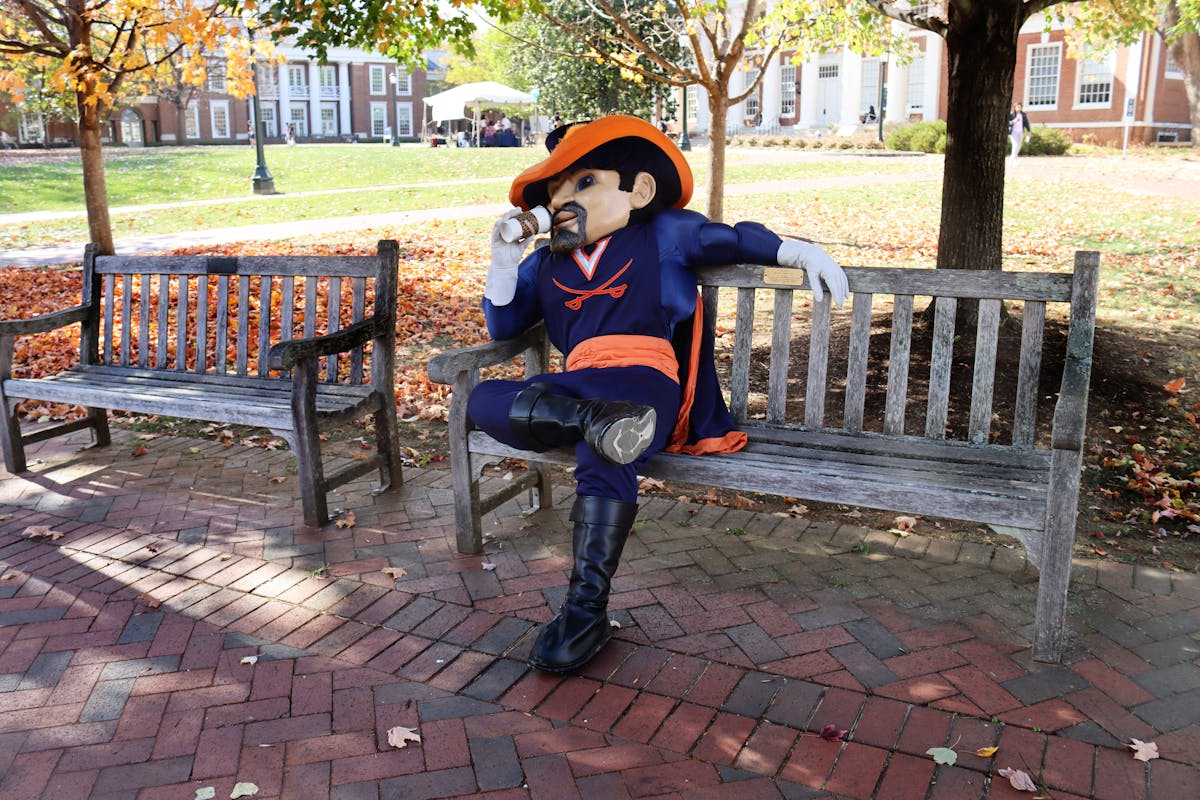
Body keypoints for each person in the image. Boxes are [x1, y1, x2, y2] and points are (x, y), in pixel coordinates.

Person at [469, 116, 849, 673]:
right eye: (555, 191)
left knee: (605, 451)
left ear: (638, 191)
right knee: (481, 402)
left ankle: (584, 609)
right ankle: (594, 421)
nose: (562, 201)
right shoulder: (545, 263)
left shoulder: (662, 234)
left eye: (583, 183)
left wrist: (798, 252)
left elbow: (733, 236)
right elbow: (503, 328)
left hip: (646, 379)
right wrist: (503, 261)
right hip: (579, 383)